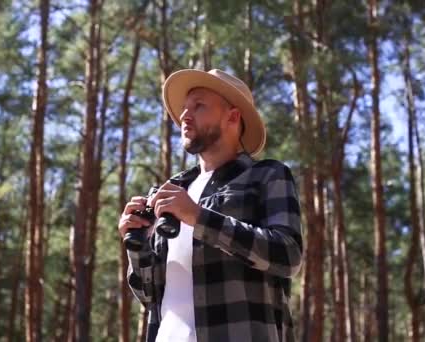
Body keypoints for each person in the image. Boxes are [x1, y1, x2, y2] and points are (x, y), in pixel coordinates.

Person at [118, 69, 302, 342]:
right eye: (184, 108)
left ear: (233, 117)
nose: (184, 115)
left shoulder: (266, 176)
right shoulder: (172, 190)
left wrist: (198, 217)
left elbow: (287, 255)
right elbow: (151, 294)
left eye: (199, 105)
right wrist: (136, 245)